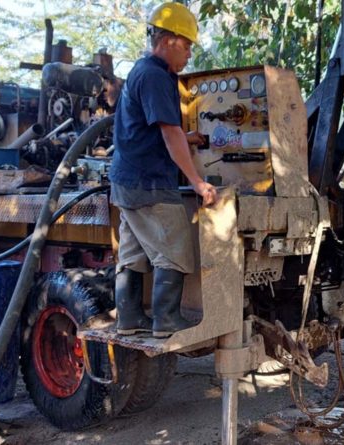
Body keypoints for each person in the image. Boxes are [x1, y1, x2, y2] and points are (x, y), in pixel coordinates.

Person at [108, 2, 217, 338]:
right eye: (186, 46)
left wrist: (188, 138)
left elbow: (150, 130)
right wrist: (199, 183)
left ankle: (128, 319)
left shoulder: (140, 72)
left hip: (126, 182)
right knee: (175, 247)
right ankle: (167, 320)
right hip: (150, 183)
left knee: (133, 252)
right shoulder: (156, 77)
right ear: (168, 40)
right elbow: (168, 134)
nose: (188, 56)